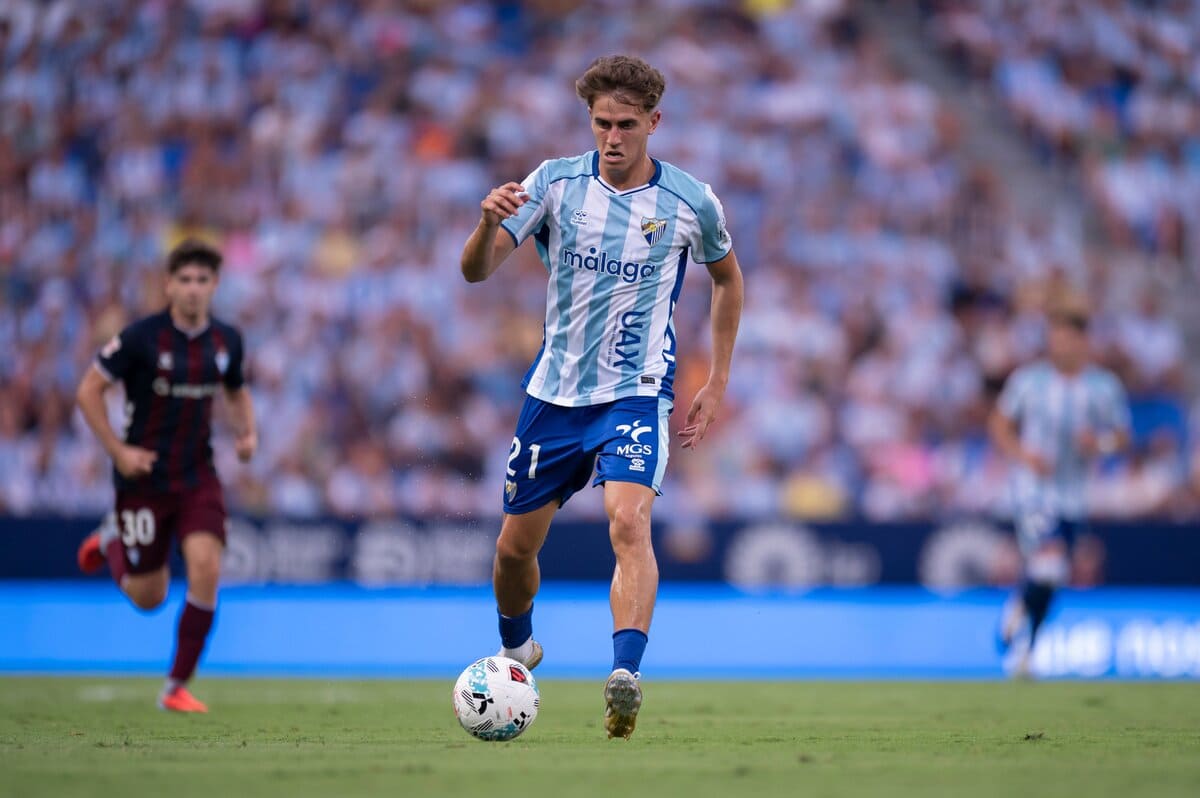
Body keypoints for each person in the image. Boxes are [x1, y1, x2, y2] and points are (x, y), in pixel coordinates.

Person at [460, 55, 743, 738]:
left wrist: (717, 380)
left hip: (636, 393)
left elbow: (728, 281)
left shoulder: (688, 201)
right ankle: (517, 649)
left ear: (653, 122)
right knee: (512, 552)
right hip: (553, 395)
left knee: (628, 523)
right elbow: (476, 271)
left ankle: (625, 672)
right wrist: (483, 222)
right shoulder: (553, 184)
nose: (611, 137)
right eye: (600, 124)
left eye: (624, 124)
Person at [75, 239, 257, 712]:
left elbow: (236, 391)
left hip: (198, 476)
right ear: (168, 285)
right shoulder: (140, 338)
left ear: (214, 285)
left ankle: (175, 685)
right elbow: (89, 391)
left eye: (202, 280)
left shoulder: (226, 341)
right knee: (148, 596)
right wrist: (117, 451)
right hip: (144, 480)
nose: (194, 289)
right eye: (185, 280)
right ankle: (113, 537)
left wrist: (247, 434)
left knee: (206, 567)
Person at [989, 291, 1129, 677]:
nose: (1058, 345)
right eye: (1054, 337)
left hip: (1074, 496)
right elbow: (999, 425)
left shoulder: (1103, 387)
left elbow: (1122, 435)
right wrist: (1024, 455)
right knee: (1048, 560)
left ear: (1083, 342)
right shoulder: (1029, 380)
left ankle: (1026, 642)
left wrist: (1097, 443)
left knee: (1051, 576)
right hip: (1032, 490)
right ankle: (1025, 644)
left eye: (1066, 338)